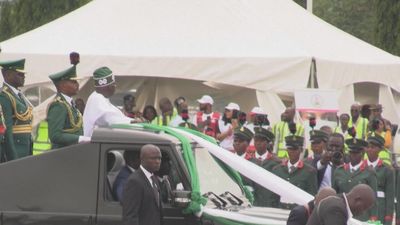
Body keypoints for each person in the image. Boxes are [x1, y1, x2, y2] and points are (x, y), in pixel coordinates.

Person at [332, 138, 378, 221]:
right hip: (341, 214)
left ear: (363, 154)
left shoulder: (369, 173)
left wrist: (373, 218)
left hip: (361, 217)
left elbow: (373, 198)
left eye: (356, 153)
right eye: (351, 152)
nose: (353, 155)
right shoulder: (339, 171)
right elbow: (334, 194)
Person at [47, 66, 89, 149]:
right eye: (73, 81)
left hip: (71, 152)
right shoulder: (58, 105)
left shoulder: (69, 104)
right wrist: (80, 139)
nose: (77, 84)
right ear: (62, 85)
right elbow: (55, 135)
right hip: (62, 154)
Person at [0, 59, 33, 160]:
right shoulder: (4, 96)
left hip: (25, 149)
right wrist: (12, 157)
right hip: (15, 150)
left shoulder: (19, 95)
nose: (23, 77)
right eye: (19, 74)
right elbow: (7, 130)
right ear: (7, 74)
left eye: (23, 74)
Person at [122, 144, 162, 225]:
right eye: (153, 158)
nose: (157, 161)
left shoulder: (154, 178)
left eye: (159, 158)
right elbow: (130, 216)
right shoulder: (134, 181)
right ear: (142, 159)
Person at [273, 135, 318, 208]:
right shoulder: (277, 170)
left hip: (298, 210)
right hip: (279, 208)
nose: (292, 152)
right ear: (287, 150)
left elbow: (311, 196)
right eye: (290, 149)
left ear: (300, 150)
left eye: (295, 149)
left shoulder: (309, 171)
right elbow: (273, 194)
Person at [306, 184, 376, 225]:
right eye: (364, 208)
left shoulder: (337, 202)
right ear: (357, 199)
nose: (363, 212)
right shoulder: (336, 209)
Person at [247, 127, 280, 207]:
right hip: (253, 203)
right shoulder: (248, 161)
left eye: (262, 141)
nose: (258, 143)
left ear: (268, 143)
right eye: (256, 140)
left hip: (270, 203)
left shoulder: (275, 162)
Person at [365, 135, 394, 225]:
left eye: (373, 147)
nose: (369, 150)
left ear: (380, 149)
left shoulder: (387, 169)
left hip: (380, 209)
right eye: (368, 147)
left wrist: (388, 217)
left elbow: (390, 196)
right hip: (363, 208)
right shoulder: (362, 167)